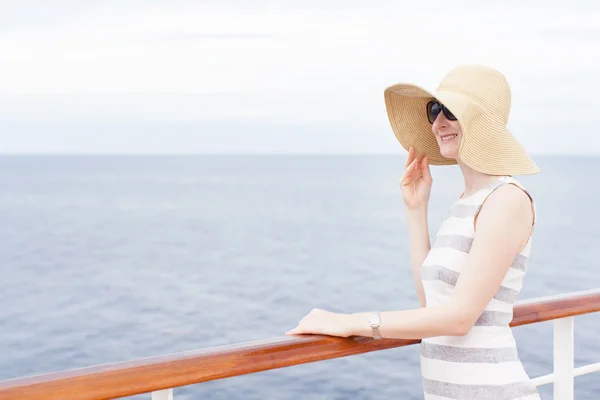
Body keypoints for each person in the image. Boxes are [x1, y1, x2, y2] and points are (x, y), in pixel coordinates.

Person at [286, 65, 542, 399]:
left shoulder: (506, 199)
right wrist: (416, 209)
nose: (438, 123)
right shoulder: (467, 202)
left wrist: (348, 322)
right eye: (433, 110)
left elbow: (459, 318)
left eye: (450, 111)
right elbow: (431, 305)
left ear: (482, 123)